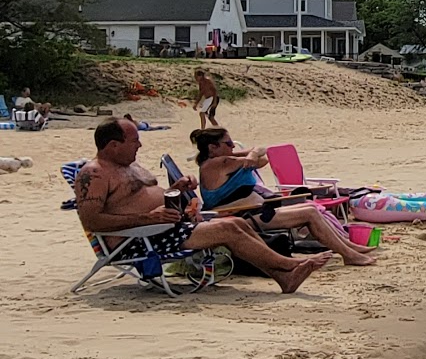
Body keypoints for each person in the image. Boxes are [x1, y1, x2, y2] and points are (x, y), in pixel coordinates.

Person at [74, 118, 330, 293]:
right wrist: (147, 218)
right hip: (140, 240)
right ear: (113, 145)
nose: (139, 145)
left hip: (163, 228)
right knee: (228, 228)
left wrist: (177, 189)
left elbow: (136, 196)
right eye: (134, 141)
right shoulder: (94, 174)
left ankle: (284, 277)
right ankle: (289, 265)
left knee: (238, 222)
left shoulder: (127, 165)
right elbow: (92, 221)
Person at [191, 128, 376, 265]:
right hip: (242, 216)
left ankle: (348, 247)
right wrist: (252, 155)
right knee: (310, 213)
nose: (232, 147)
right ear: (213, 147)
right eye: (228, 143)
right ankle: (348, 254)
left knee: (311, 208)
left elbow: (261, 153)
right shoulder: (219, 163)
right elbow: (259, 157)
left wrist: (252, 154)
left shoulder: (222, 160)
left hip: (253, 211)